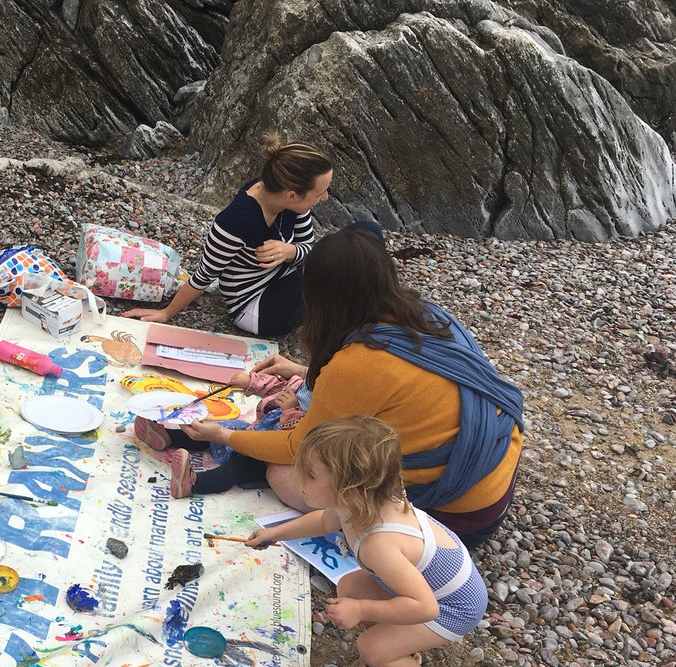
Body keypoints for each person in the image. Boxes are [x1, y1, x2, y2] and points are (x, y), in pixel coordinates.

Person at [138, 228, 523, 547]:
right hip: (493, 482)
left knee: (284, 473)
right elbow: (390, 385)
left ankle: (194, 456)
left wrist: (224, 434)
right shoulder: (428, 315)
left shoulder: (357, 362)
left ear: (323, 299)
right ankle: (179, 438)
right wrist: (301, 370)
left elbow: (297, 447)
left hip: (450, 518)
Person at [247, 417, 488, 667]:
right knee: (350, 585)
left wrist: (361, 610)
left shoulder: (379, 543)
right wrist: (275, 533)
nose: (298, 477)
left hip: (452, 608)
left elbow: (425, 607)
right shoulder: (357, 504)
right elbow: (323, 522)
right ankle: (400, 649)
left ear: (349, 487)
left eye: (310, 474)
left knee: (371, 647)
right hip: (426, 589)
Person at [123, 133, 342, 336]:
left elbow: (307, 247)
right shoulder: (235, 221)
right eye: (320, 193)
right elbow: (205, 276)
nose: (325, 198)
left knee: (356, 241)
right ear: (292, 195)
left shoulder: (292, 201)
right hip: (254, 306)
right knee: (332, 268)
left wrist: (290, 251)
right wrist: (166, 313)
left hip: (284, 277)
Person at [133, 368, 310, 495]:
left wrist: (290, 411)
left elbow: (297, 442)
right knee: (220, 428)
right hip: (255, 432)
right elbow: (280, 386)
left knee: (238, 468)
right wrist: (251, 382)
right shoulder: (309, 382)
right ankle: (167, 437)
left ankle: (193, 484)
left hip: (269, 458)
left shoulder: (313, 412)